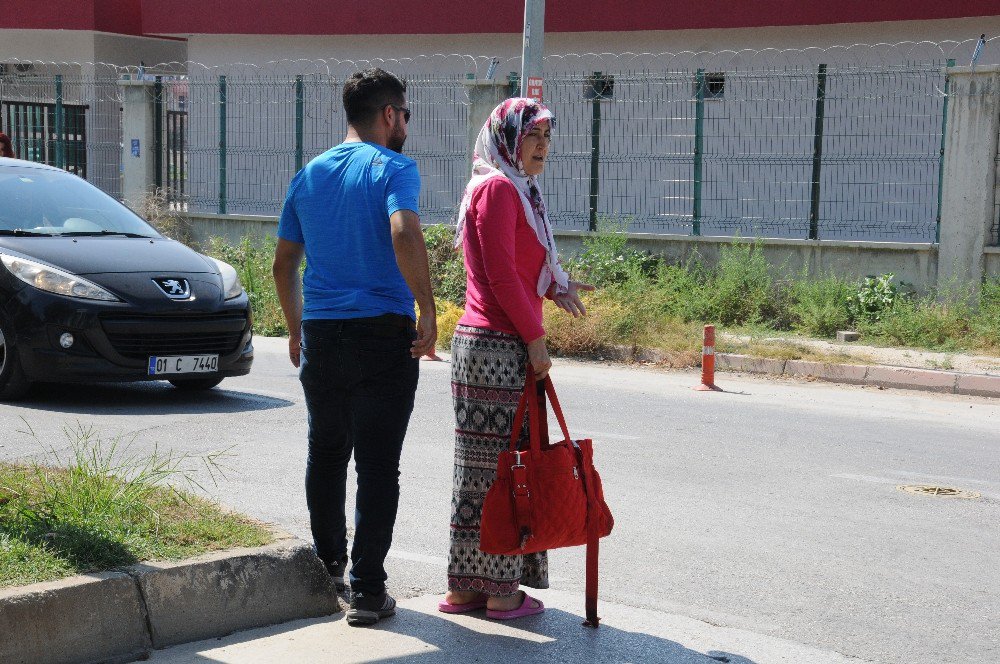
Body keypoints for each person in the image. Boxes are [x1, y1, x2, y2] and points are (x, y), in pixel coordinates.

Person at [272, 68, 437, 627]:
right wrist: (430, 309)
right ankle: (367, 591)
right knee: (377, 465)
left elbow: (283, 263)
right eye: (405, 114)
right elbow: (404, 231)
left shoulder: (308, 175)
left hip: (322, 331)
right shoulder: (394, 168)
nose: (406, 126)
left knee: (326, 453)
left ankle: (328, 572)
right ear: (388, 114)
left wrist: (296, 328)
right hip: (381, 333)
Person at [439, 98, 594, 619]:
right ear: (508, 140)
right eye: (533, 136)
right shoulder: (500, 191)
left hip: (493, 348)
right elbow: (502, 277)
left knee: (484, 471)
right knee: (506, 471)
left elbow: (519, 269)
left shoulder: (514, 191)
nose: (543, 146)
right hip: (497, 349)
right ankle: (502, 593)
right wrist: (535, 338)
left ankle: (467, 589)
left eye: (547, 137)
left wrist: (557, 286)